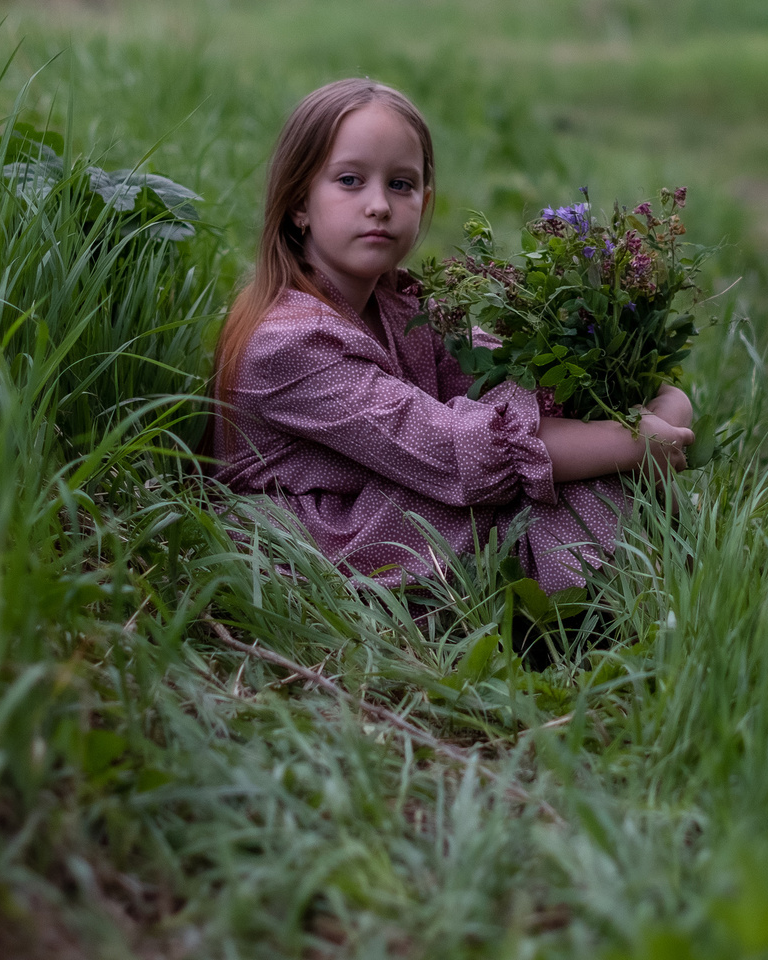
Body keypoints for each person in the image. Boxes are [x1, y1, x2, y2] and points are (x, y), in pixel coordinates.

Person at [211, 77, 694, 590]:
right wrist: (637, 441)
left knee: (562, 469)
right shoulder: (288, 342)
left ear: (424, 198)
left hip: (395, 501)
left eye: (401, 184)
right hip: (319, 545)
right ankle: (595, 606)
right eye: (350, 180)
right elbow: (452, 449)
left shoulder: (399, 304)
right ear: (298, 203)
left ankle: (616, 592)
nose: (379, 205)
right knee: (546, 488)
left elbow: (514, 372)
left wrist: (658, 400)